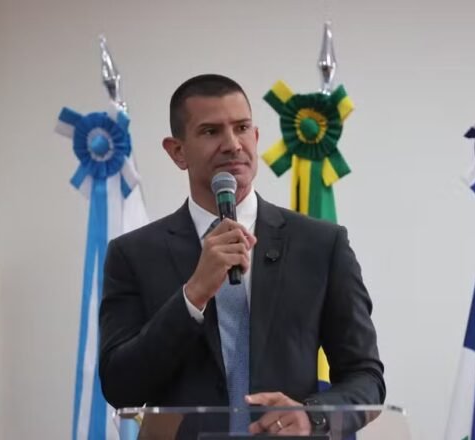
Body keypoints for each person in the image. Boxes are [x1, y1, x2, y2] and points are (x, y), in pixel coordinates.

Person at [99, 74, 385, 436]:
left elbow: (366, 378)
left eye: (242, 128)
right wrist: (193, 295)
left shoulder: (322, 244)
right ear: (177, 152)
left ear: (257, 137)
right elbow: (120, 386)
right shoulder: (133, 255)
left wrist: (311, 415)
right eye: (210, 131)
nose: (233, 144)